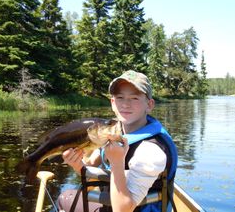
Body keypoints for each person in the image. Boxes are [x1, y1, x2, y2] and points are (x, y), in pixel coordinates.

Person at [57, 70, 177, 212]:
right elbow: (90, 169)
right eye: (120, 97)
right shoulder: (112, 131)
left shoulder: (151, 151)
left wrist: (116, 163)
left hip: (124, 207)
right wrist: (77, 164)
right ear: (113, 103)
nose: (125, 104)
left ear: (149, 105)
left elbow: (123, 210)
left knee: (64, 198)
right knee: (68, 196)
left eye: (134, 98)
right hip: (111, 202)